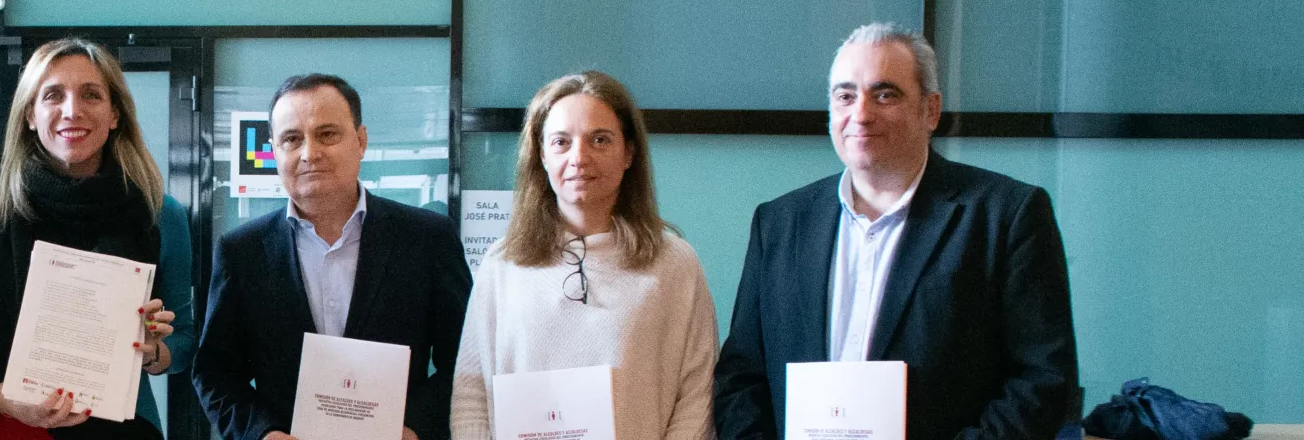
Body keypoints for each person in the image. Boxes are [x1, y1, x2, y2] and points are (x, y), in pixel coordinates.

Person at [711, 23, 1079, 440]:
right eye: (845, 96)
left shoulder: (1007, 215)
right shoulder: (779, 223)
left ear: (931, 111)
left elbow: (1043, 380)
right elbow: (741, 377)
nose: (861, 114)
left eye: (885, 94)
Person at [192, 74, 469, 440]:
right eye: (292, 139)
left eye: (326, 134)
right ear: (274, 151)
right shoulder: (241, 251)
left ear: (361, 141)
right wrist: (262, 434)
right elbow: (215, 372)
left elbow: (467, 360)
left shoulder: (428, 238)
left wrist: (415, 428)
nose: (310, 153)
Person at [448, 71, 716, 440]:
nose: (579, 157)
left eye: (599, 140)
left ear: (629, 153)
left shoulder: (673, 262)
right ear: (541, 155)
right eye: (561, 142)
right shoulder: (502, 263)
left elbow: (697, 397)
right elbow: (471, 397)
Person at [0, 37, 193, 440]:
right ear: (30, 115)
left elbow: (186, 340)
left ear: (115, 114)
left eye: (91, 94)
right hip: (25, 429)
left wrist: (154, 351)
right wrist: (6, 399)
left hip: (130, 430)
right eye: (53, 95)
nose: (72, 110)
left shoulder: (160, 214)